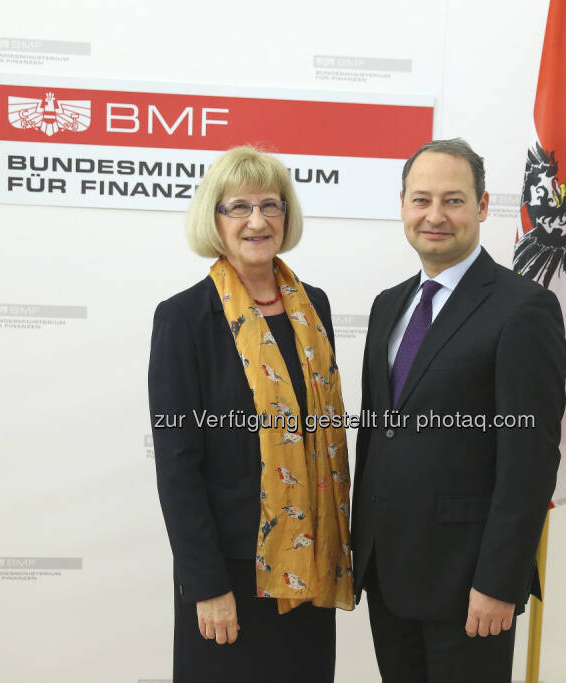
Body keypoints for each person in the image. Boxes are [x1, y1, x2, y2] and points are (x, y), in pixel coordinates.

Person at [351, 138, 566, 682]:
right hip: (387, 574)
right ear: (403, 205)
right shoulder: (386, 306)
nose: (435, 215)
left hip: (469, 585)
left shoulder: (523, 309)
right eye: (421, 199)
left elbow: (530, 462)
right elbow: (378, 439)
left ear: (483, 206)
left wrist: (500, 580)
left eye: (453, 200)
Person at [148, 146, 354, 683]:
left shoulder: (316, 306)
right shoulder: (184, 318)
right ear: (214, 220)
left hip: (310, 564)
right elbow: (177, 466)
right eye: (238, 207)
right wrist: (206, 585)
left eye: (271, 205)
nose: (257, 221)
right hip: (232, 576)